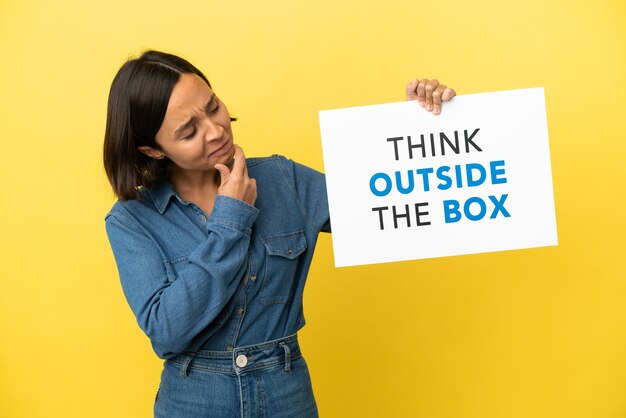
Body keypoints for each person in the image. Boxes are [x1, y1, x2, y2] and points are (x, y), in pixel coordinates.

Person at [103, 50, 455, 418]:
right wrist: (231, 218)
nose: (216, 131)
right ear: (153, 150)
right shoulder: (132, 220)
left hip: (285, 394)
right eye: (188, 132)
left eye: (213, 107)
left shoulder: (283, 180)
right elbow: (166, 331)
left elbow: (387, 208)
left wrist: (416, 130)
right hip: (194, 402)